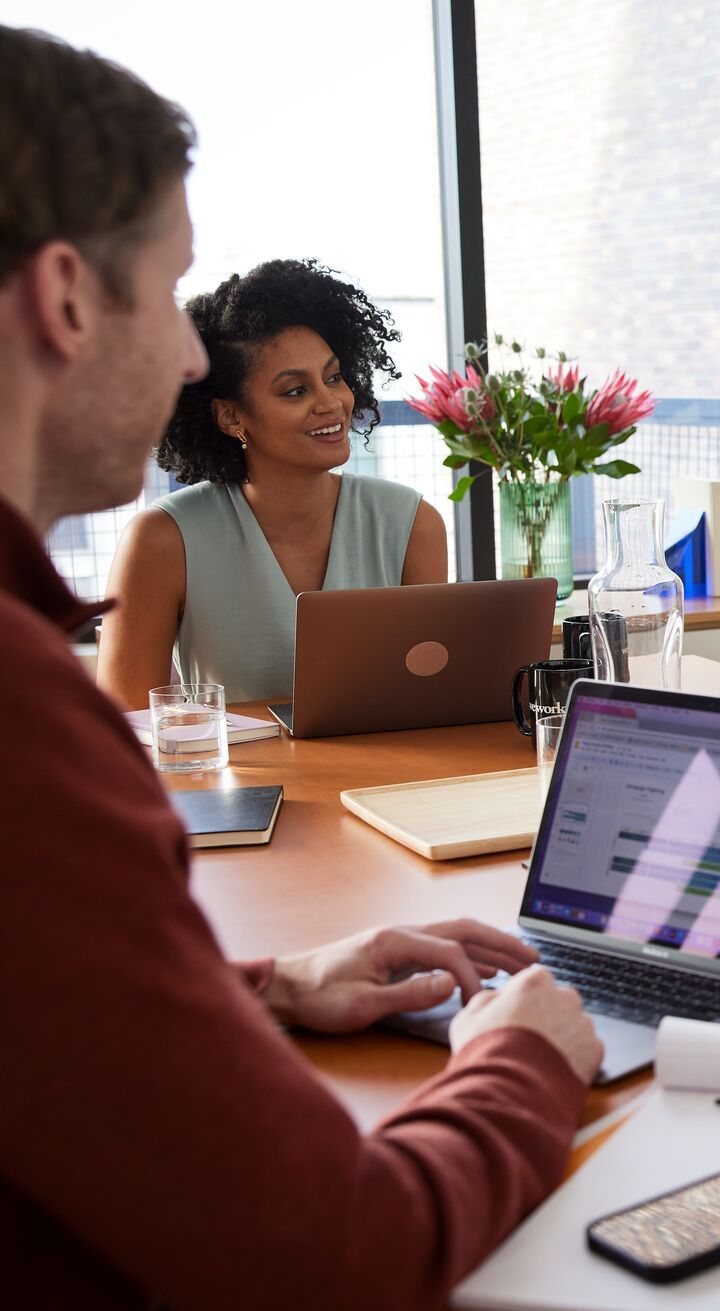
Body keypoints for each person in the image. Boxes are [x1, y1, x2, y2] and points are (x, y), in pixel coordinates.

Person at [0, 26, 602, 1309]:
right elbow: (337, 1256)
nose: (177, 352)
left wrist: (271, 984)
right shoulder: (24, 715)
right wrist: (525, 1064)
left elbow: (51, 1010)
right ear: (61, 298)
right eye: (167, 294)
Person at [96, 257, 447, 707]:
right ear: (232, 416)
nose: (332, 403)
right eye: (295, 391)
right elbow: (129, 723)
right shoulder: (162, 541)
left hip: (383, 779)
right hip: (237, 779)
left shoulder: (411, 524)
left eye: (334, 377)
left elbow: (434, 700)